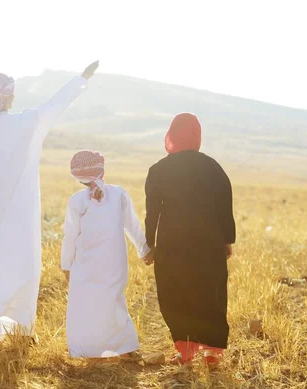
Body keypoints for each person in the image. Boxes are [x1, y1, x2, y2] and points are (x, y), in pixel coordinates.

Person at [0, 61, 99, 341]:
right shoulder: (27, 123)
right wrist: (81, 79)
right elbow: (54, 105)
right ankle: (19, 327)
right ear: (8, 96)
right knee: (26, 269)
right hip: (22, 216)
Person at [143, 113, 236, 366]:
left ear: (170, 136)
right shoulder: (212, 167)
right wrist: (226, 239)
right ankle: (212, 352)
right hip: (209, 241)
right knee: (210, 292)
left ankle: (185, 350)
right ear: (197, 136)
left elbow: (153, 212)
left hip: (173, 243)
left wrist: (150, 244)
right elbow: (224, 206)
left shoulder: (158, 170)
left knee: (175, 292)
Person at [61, 150, 150, 359]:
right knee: (113, 300)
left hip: (85, 263)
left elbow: (70, 236)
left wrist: (66, 265)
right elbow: (133, 226)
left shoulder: (77, 201)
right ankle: (124, 348)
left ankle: (85, 349)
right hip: (114, 260)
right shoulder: (119, 194)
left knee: (86, 303)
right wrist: (144, 250)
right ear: (101, 170)